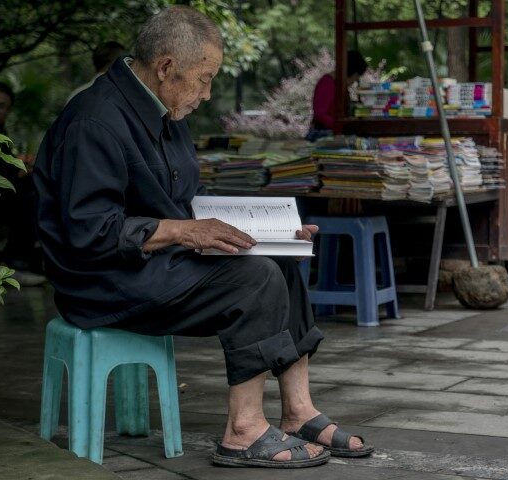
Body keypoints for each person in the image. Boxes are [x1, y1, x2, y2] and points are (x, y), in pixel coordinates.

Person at [33, 6, 373, 468]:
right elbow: (90, 231)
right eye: (204, 78)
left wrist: (267, 232)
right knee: (253, 279)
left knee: (280, 263)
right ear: (166, 67)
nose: (207, 93)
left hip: (154, 262)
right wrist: (183, 231)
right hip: (101, 279)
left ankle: (298, 412)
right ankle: (243, 431)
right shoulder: (95, 121)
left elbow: (185, 203)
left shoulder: (164, 110)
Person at [0, 81, 46, 285]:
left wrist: (20, 169)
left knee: (35, 188)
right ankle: (17, 264)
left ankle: (20, 264)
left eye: (1, 106)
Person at [306, 50, 367, 142]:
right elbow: (320, 114)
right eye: (355, 78)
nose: (353, 82)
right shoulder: (327, 83)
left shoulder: (341, 86)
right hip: (323, 133)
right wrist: (341, 125)